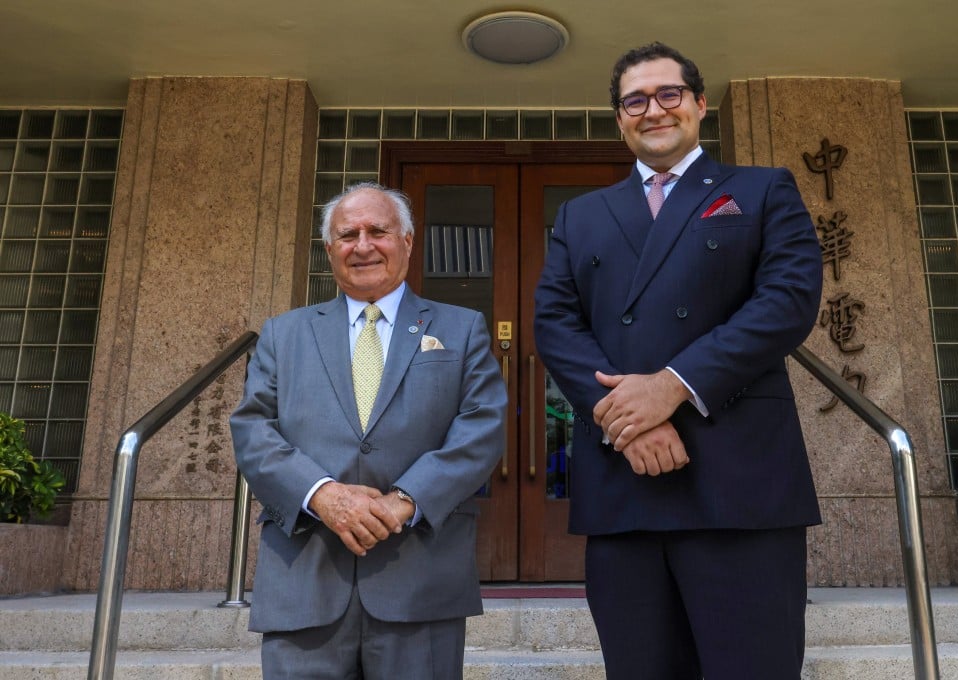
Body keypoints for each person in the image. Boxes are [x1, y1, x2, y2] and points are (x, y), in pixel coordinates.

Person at [533, 42, 823, 679]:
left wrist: (673, 386)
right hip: (623, 481)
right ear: (619, 119)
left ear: (697, 105)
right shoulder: (580, 215)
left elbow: (787, 301)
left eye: (669, 94)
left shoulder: (761, 189)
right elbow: (554, 323)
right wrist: (627, 419)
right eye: (635, 100)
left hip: (738, 480)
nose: (653, 110)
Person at [230, 182, 506, 680]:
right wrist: (325, 496)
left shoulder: (462, 328)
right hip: (305, 580)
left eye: (378, 231)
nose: (362, 245)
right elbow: (254, 429)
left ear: (407, 241)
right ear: (330, 249)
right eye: (347, 234)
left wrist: (403, 500)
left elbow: (481, 427)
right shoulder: (283, 333)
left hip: (421, 579)